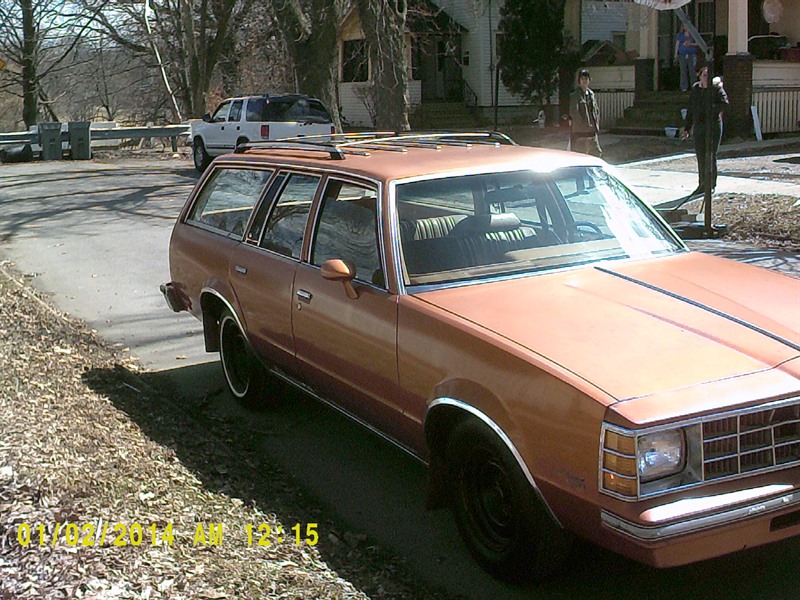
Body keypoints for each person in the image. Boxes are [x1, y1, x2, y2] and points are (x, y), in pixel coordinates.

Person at [682, 65, 729, 198]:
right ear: (699, 76)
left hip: (713, 126)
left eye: (708, 76)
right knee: (700, 156)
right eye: (704, 75)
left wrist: (711, 108)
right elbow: (690, 109)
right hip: (699, 127)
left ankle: (710, 184)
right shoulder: (696, 90)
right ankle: (702, 183)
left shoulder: (716, 89)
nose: (705, 78)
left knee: (710, 155)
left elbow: (725, 104)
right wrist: (687, 128)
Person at [569, 69, 602, 157]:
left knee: (596, 153)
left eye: (586, 79)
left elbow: (596, 111)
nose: (584, 81)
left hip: (592, 131)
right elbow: (574, 112)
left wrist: (596, 123)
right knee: (581, 155)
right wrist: (584, 124)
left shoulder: (591, 94)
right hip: (580, 132)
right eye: (582, 79)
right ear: (579, 80)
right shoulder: (575, 95)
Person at [675, 24, 698, 92]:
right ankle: (683, 87)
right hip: (682, 55)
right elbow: (677, 44)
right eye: (684, 26)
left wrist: (691, 44)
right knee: (683, 71)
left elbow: (698, 43)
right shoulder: (680, 35)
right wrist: (676, 54)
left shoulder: (693, 34)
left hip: (692, 54)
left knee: (692, 70)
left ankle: (694, 86)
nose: (686, 27)